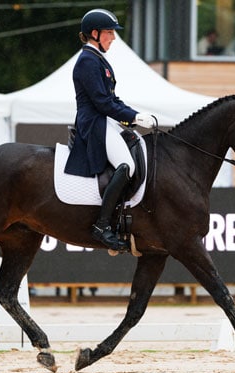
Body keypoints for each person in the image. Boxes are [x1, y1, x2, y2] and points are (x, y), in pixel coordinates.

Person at [64, 8, 156, 251]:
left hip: (104, 119)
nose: (113, 38)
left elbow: (112, 100)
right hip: (93, 122)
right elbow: (102, 103)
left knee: (135, 146)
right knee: (127, 165)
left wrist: (134, 117)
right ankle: (102, 225)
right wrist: (133, 116)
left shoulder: (98, 59)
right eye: (108, 33)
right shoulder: (87, 60)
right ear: (94, 33)